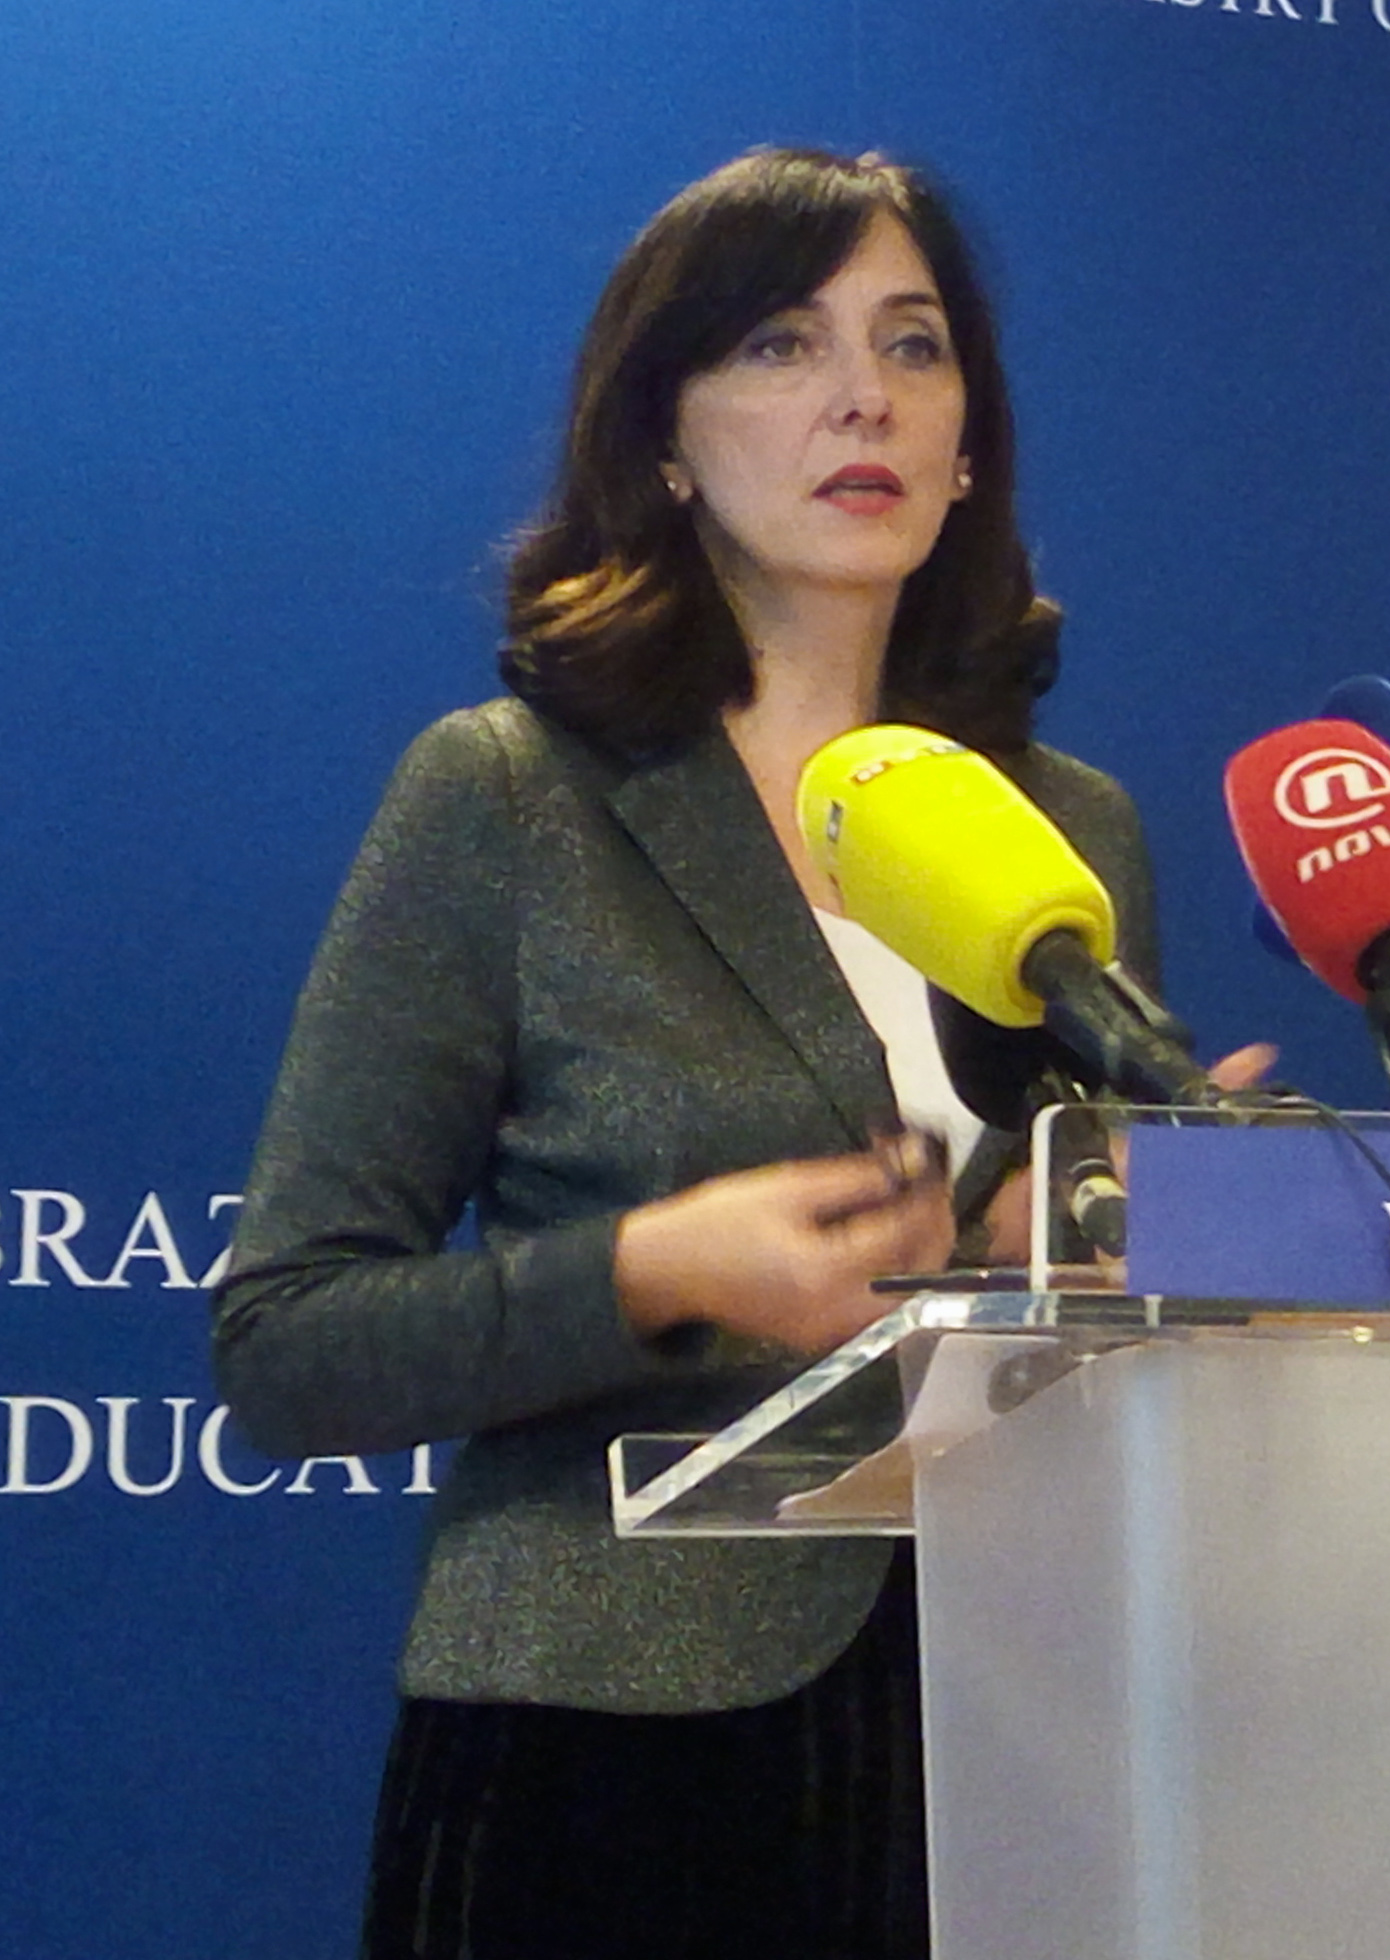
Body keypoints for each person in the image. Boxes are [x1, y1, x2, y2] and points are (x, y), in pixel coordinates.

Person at [212, 149, 1176, 1958]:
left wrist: (1087, 1247)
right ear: (664, 438)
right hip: (614, 1769)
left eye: (914, 345)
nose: (863, 397)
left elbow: (1075, 1303)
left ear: (970, 443)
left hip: (1012, 1730)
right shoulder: (511, 796)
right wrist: (660, 1268)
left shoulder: (1071, 829)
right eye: (781, 346)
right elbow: (289, 1348)